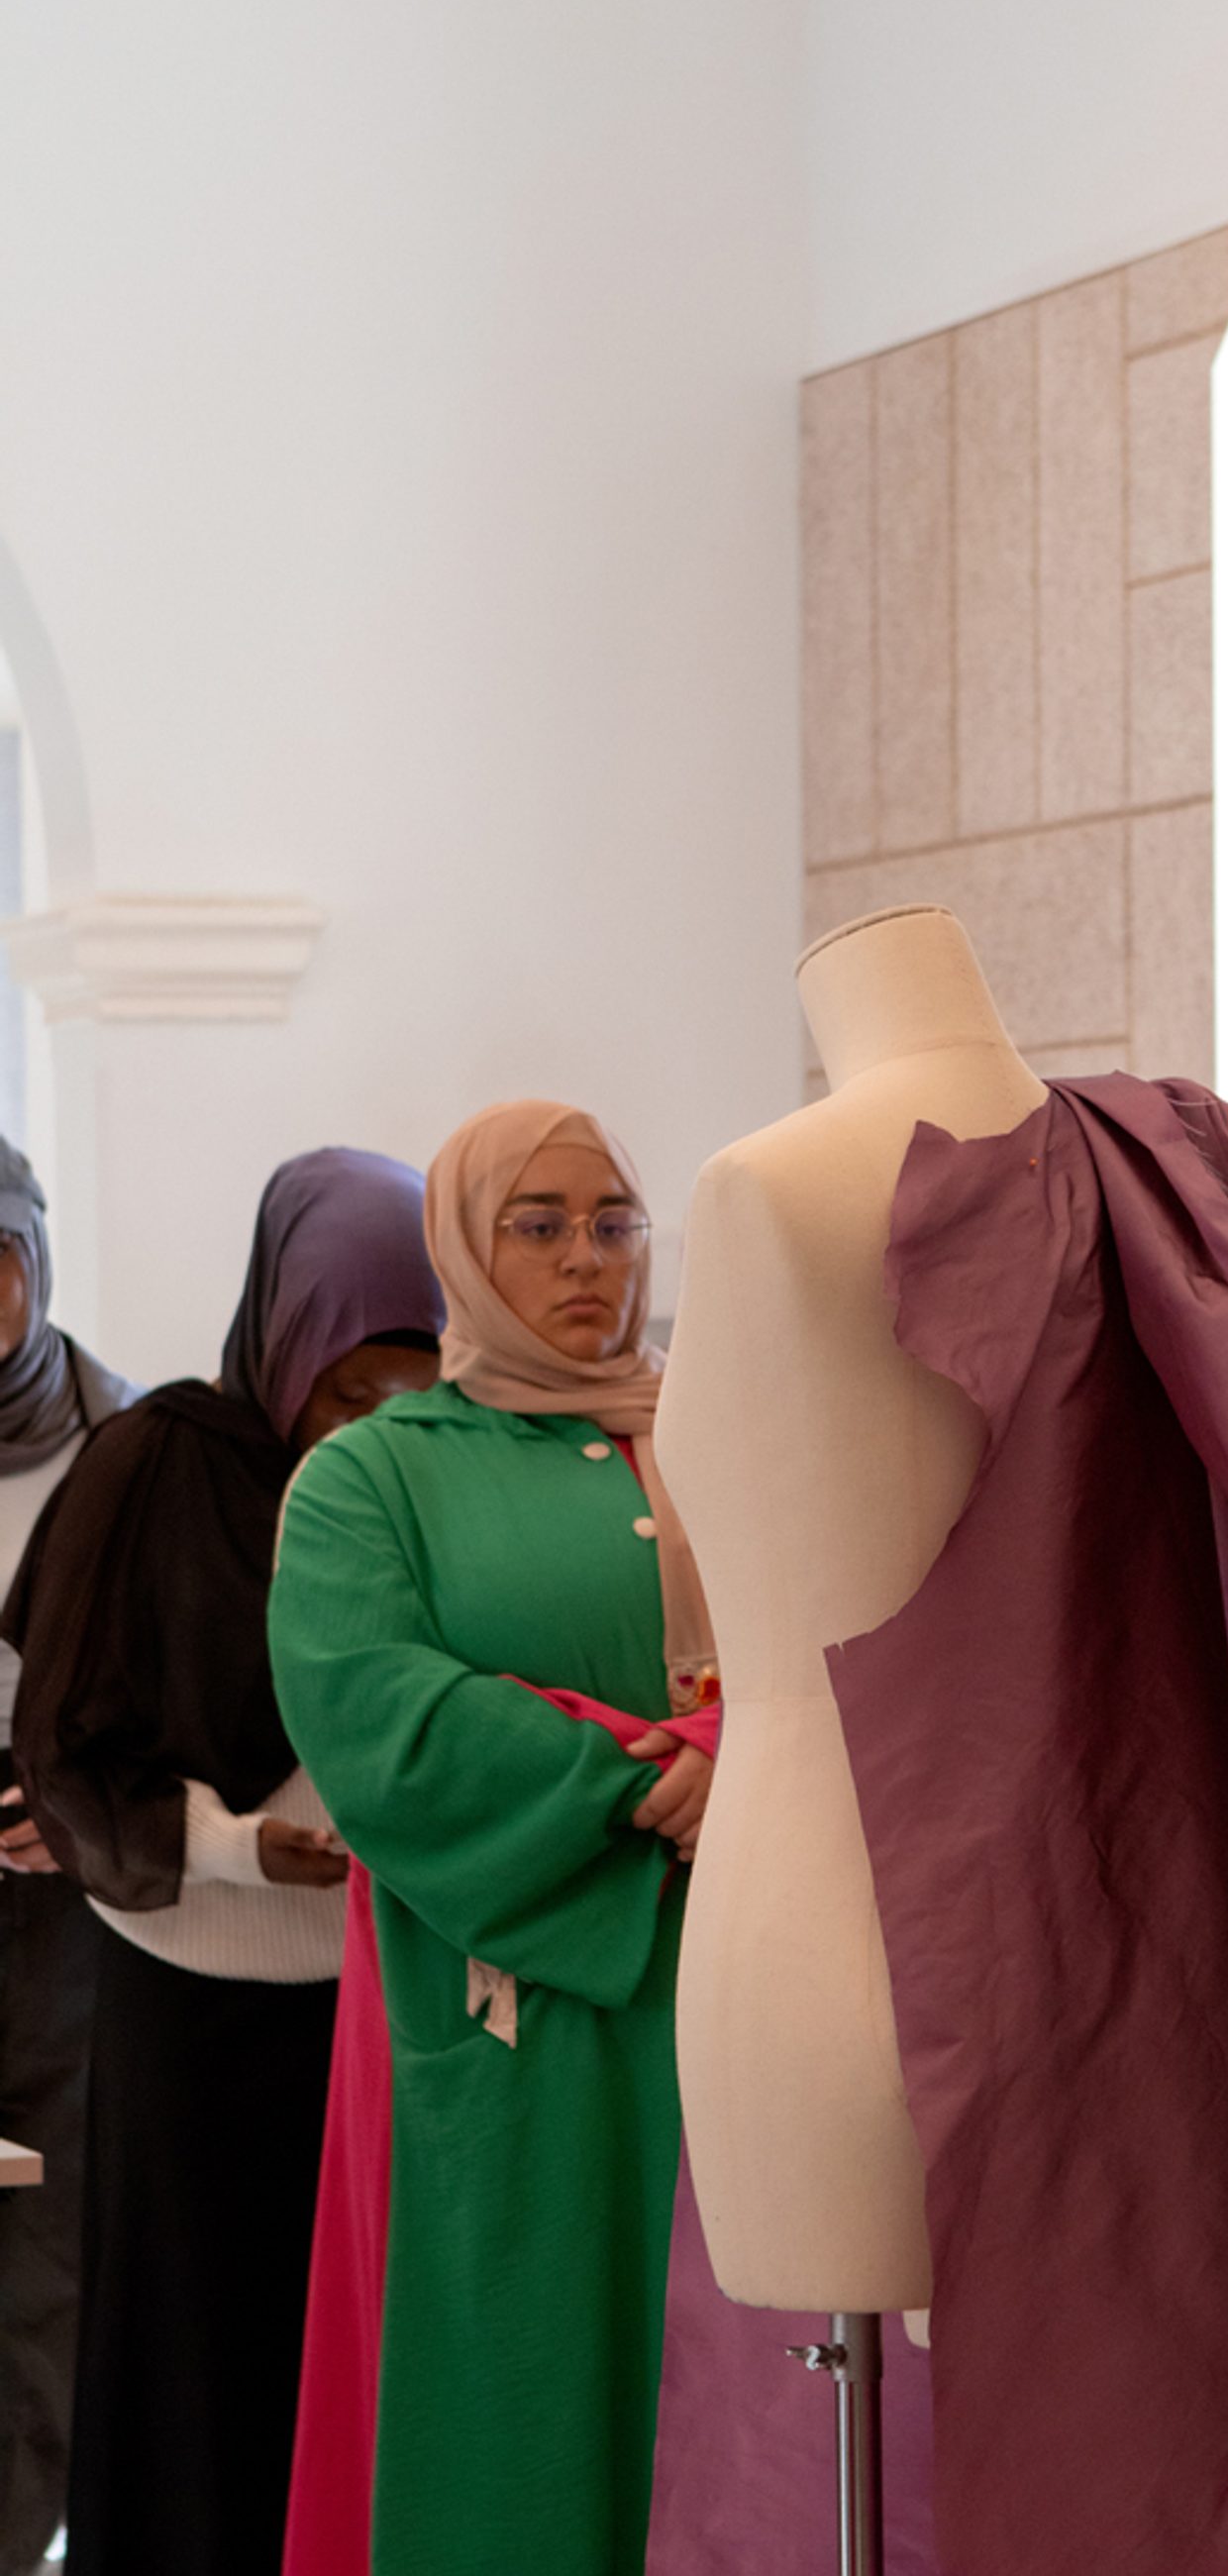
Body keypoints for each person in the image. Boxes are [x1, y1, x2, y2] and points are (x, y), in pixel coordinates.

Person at [269, 1101, 715, 2576]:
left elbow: (848, 1657)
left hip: (737, 1984)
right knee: (526, 2393)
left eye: (613, 1220)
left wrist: (742, 1750)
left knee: (732, 2398)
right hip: (517, 1998)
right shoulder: (373, 1478)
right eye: (537, 1224)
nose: (586, 1257)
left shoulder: (732, 1440)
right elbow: (376, 1711)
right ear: (462, 1250)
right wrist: (627, 1780)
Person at [5, 1150, 443, 2576]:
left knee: (359, 2353)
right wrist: (241, 1848)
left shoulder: (436, 1481)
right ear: (284, 1342)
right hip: (187, 1999)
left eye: (410, 1384)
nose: (371, 1420)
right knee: (191, 2355)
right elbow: (72, 1734)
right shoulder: (158, 1462)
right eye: (345, 1386)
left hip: (379, 1996)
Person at [0, 1142, 136, 2576]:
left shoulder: (130, 1443)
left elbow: (193, 1678)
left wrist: (95, 1803)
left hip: (77, 1894)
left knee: (53, 2261)